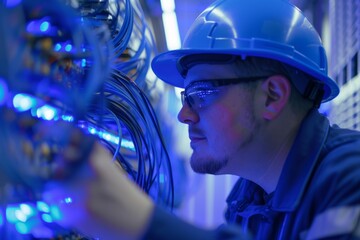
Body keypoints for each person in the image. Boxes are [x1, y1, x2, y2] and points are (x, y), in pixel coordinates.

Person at [48, 0, 360, 239]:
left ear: (272, 97)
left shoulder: (350, 178)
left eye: (201, 93)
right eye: (185, 98)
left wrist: (142, 221)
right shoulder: (247, 201)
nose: (184, 114)